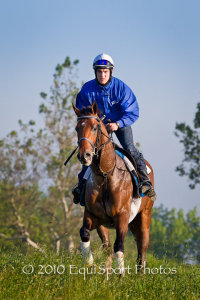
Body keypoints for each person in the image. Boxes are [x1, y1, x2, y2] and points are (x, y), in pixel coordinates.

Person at [72, 53, 156, 204]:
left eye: (105, 71)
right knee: (90, 153)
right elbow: (83, 113)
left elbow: (133, 111)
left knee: (129, 148)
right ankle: (81, 186)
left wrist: (118, 124)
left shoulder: (122, 88)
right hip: (98, 127)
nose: (102, 75)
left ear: (111, 72)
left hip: (120, 124)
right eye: (99, 71)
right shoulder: (87, 89)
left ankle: (145, 182)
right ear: (95, 72)